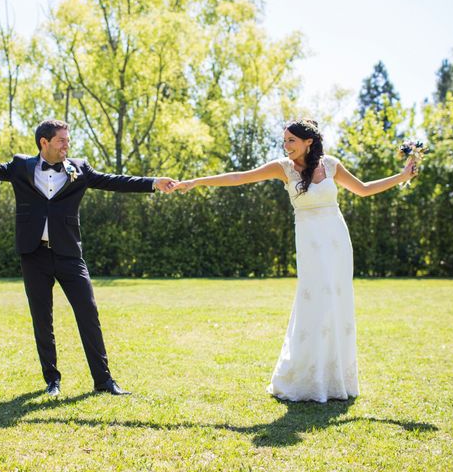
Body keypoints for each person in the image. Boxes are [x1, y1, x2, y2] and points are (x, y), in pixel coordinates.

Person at [0, 119, 177, 397]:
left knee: (88, 313)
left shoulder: (79, 168)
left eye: (68, 140)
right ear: (44, 142)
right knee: (42, 319)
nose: (67, 145)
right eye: (61, 140)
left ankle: (104, 381)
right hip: (34, 254)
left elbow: (114, 181)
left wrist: (153, 183)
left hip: (69, 254)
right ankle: (52, 381)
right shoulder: (21, 167)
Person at [173, 119, 417, 402]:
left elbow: (363, 189)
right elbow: (239, 177)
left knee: (336, 304)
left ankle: (336, 379)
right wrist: (196, 182)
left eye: (291, 140)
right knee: (313, 303)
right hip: (310, 242)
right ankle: (306, 378)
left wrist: (402, 176)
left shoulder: (331, 165)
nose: (286, 146)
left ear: (308, 142)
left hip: (336, 240)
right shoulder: (283, 168)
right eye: (284, 140)